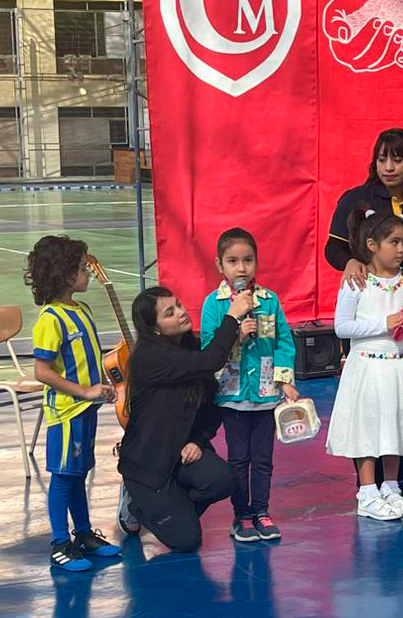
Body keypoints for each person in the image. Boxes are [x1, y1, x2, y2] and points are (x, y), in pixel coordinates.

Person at [325, 128, 403, 497]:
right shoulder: (355, 200)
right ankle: (368, 483)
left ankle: (398, 478)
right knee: (369, 398)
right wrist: (351, 264)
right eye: (382, 158)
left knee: (400, 394)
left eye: (398, 159)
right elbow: (333, 250)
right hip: (371, 307)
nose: (389, 167)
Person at [118, 286, 252, 552]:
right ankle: (137, 503)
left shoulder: (188, 348)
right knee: (187, 541)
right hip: (149, 464)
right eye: (170, 313)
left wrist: (197, 440)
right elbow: (212, 360)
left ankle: (171, 507)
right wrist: (232, 317)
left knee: (223, 479)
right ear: (154, 328)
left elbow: (211, 403)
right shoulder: (148, 356)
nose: (181, 313)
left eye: (179, 305)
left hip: (179, 453)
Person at [327, 207, 403, 521]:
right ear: (372, 245)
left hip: (399, 368)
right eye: (393, 242)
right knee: (369, 429)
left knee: (394, 427)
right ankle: (367, 491)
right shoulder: (357, 282)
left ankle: (390, 485)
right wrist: (386, 323)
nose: (400, 249)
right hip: (368, 368)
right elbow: (342, 327)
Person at [25, 235, 121, 571]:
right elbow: (41, 371)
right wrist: (83, 391)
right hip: (66, 413)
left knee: (79, 473)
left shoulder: (81, 309)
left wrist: (105, 386)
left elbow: (89, 359)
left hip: (85, 411)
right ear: (66, 276)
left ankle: (83, 534)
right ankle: (59, 542)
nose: (88, 273)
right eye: (82, 269)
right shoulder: (51, 319)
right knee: (64, 476)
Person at [201, 228, 299, 543]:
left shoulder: (268, 301)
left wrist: (285, 381)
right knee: (238, 458)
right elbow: (207, 346)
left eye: (247, 260)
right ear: (220, 265)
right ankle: (241, 515)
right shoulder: (214, 304)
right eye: (233, 261)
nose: (241, 268)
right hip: (232, 395)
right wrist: (236, 334)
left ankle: (261, 511)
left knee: (264, 458)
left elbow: (283, 342)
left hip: (267, 393)